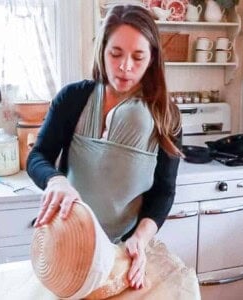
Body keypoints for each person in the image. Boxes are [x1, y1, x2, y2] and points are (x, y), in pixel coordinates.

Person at [27, 4, 182, 292]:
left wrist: (140, 239)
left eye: (138, 57)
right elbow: (37, 156)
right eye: (116, 54)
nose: (125, 66)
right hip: (65, 242)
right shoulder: (73, 98)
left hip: (122, 251)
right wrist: (56, 180)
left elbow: (164, 191)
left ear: (152, 59)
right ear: (102, 50)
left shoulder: (165, 116)